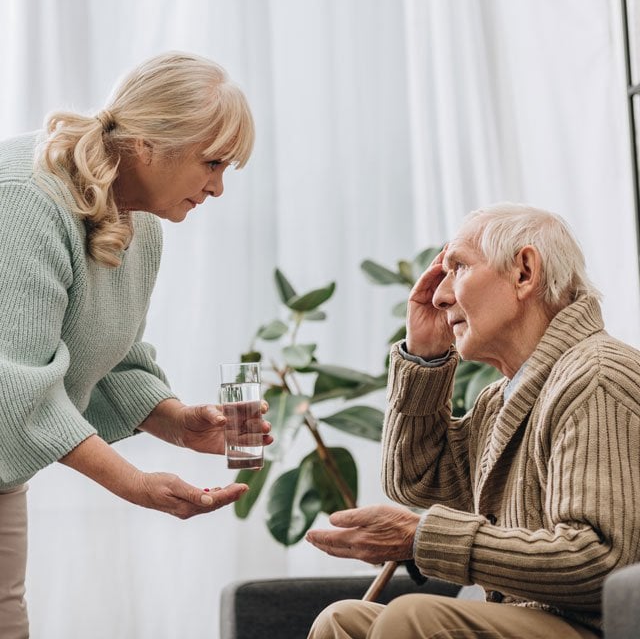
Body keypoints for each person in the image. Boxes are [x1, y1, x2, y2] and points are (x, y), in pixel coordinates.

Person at [0, 51, 272, 638]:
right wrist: (135, 484)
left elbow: (113, 354)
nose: (219, 188)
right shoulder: (27, 198)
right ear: (150, 144)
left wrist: (178, 421)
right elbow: (13, 386)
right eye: (213, 163)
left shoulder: (138, 218)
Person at [305, 203, 640, 638]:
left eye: (458, 267)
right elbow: (414, 478)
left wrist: (424, 537)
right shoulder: (502, 399)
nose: (440, 295)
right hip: (536, 622)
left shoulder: (596, 377)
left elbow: (602, 561)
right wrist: (424, 355)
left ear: (524, 272)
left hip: (596, 627)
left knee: (414, 618)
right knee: (341, 622)